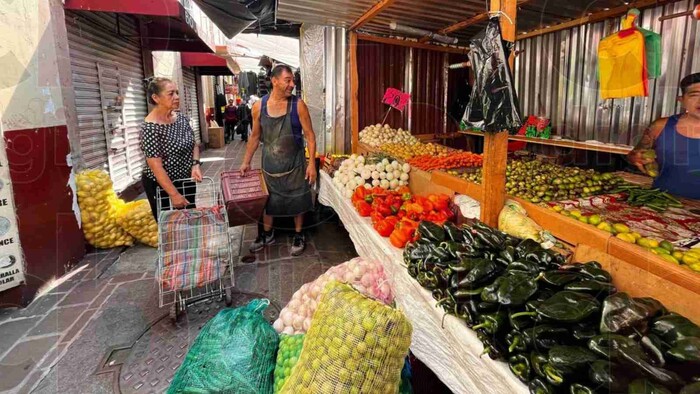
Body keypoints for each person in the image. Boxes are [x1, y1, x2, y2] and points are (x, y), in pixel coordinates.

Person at [239, 65, 317, 256]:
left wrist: (312, 164)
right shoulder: (259, 106)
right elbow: (255, 137)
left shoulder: (298, 105)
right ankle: (267, 233)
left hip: (295, 165)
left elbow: (310, 136)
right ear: (274, 81)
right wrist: (246, 161)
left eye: (293, 80)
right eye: (287, 80)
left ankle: (299, 235)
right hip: (270, 165)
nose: (292, 84)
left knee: (298, 199)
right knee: (268, 201)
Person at [627, 73, 700, 199]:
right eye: (695, 95)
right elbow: (635, 154)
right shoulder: (660, 126)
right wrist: (636, 158)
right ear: (681, 101)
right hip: (663, 202)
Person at [140, 77, 203, 221]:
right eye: (171, 94)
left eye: (177, 92)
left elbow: (193, 143)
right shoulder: (150, 128)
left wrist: (195, 164)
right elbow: (156, 167)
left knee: (189, 219)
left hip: (185, 179)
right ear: (156, 98)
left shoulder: (181, 118)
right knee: (170, 226)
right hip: (161, 185)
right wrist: (174, 194)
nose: (177, 97)